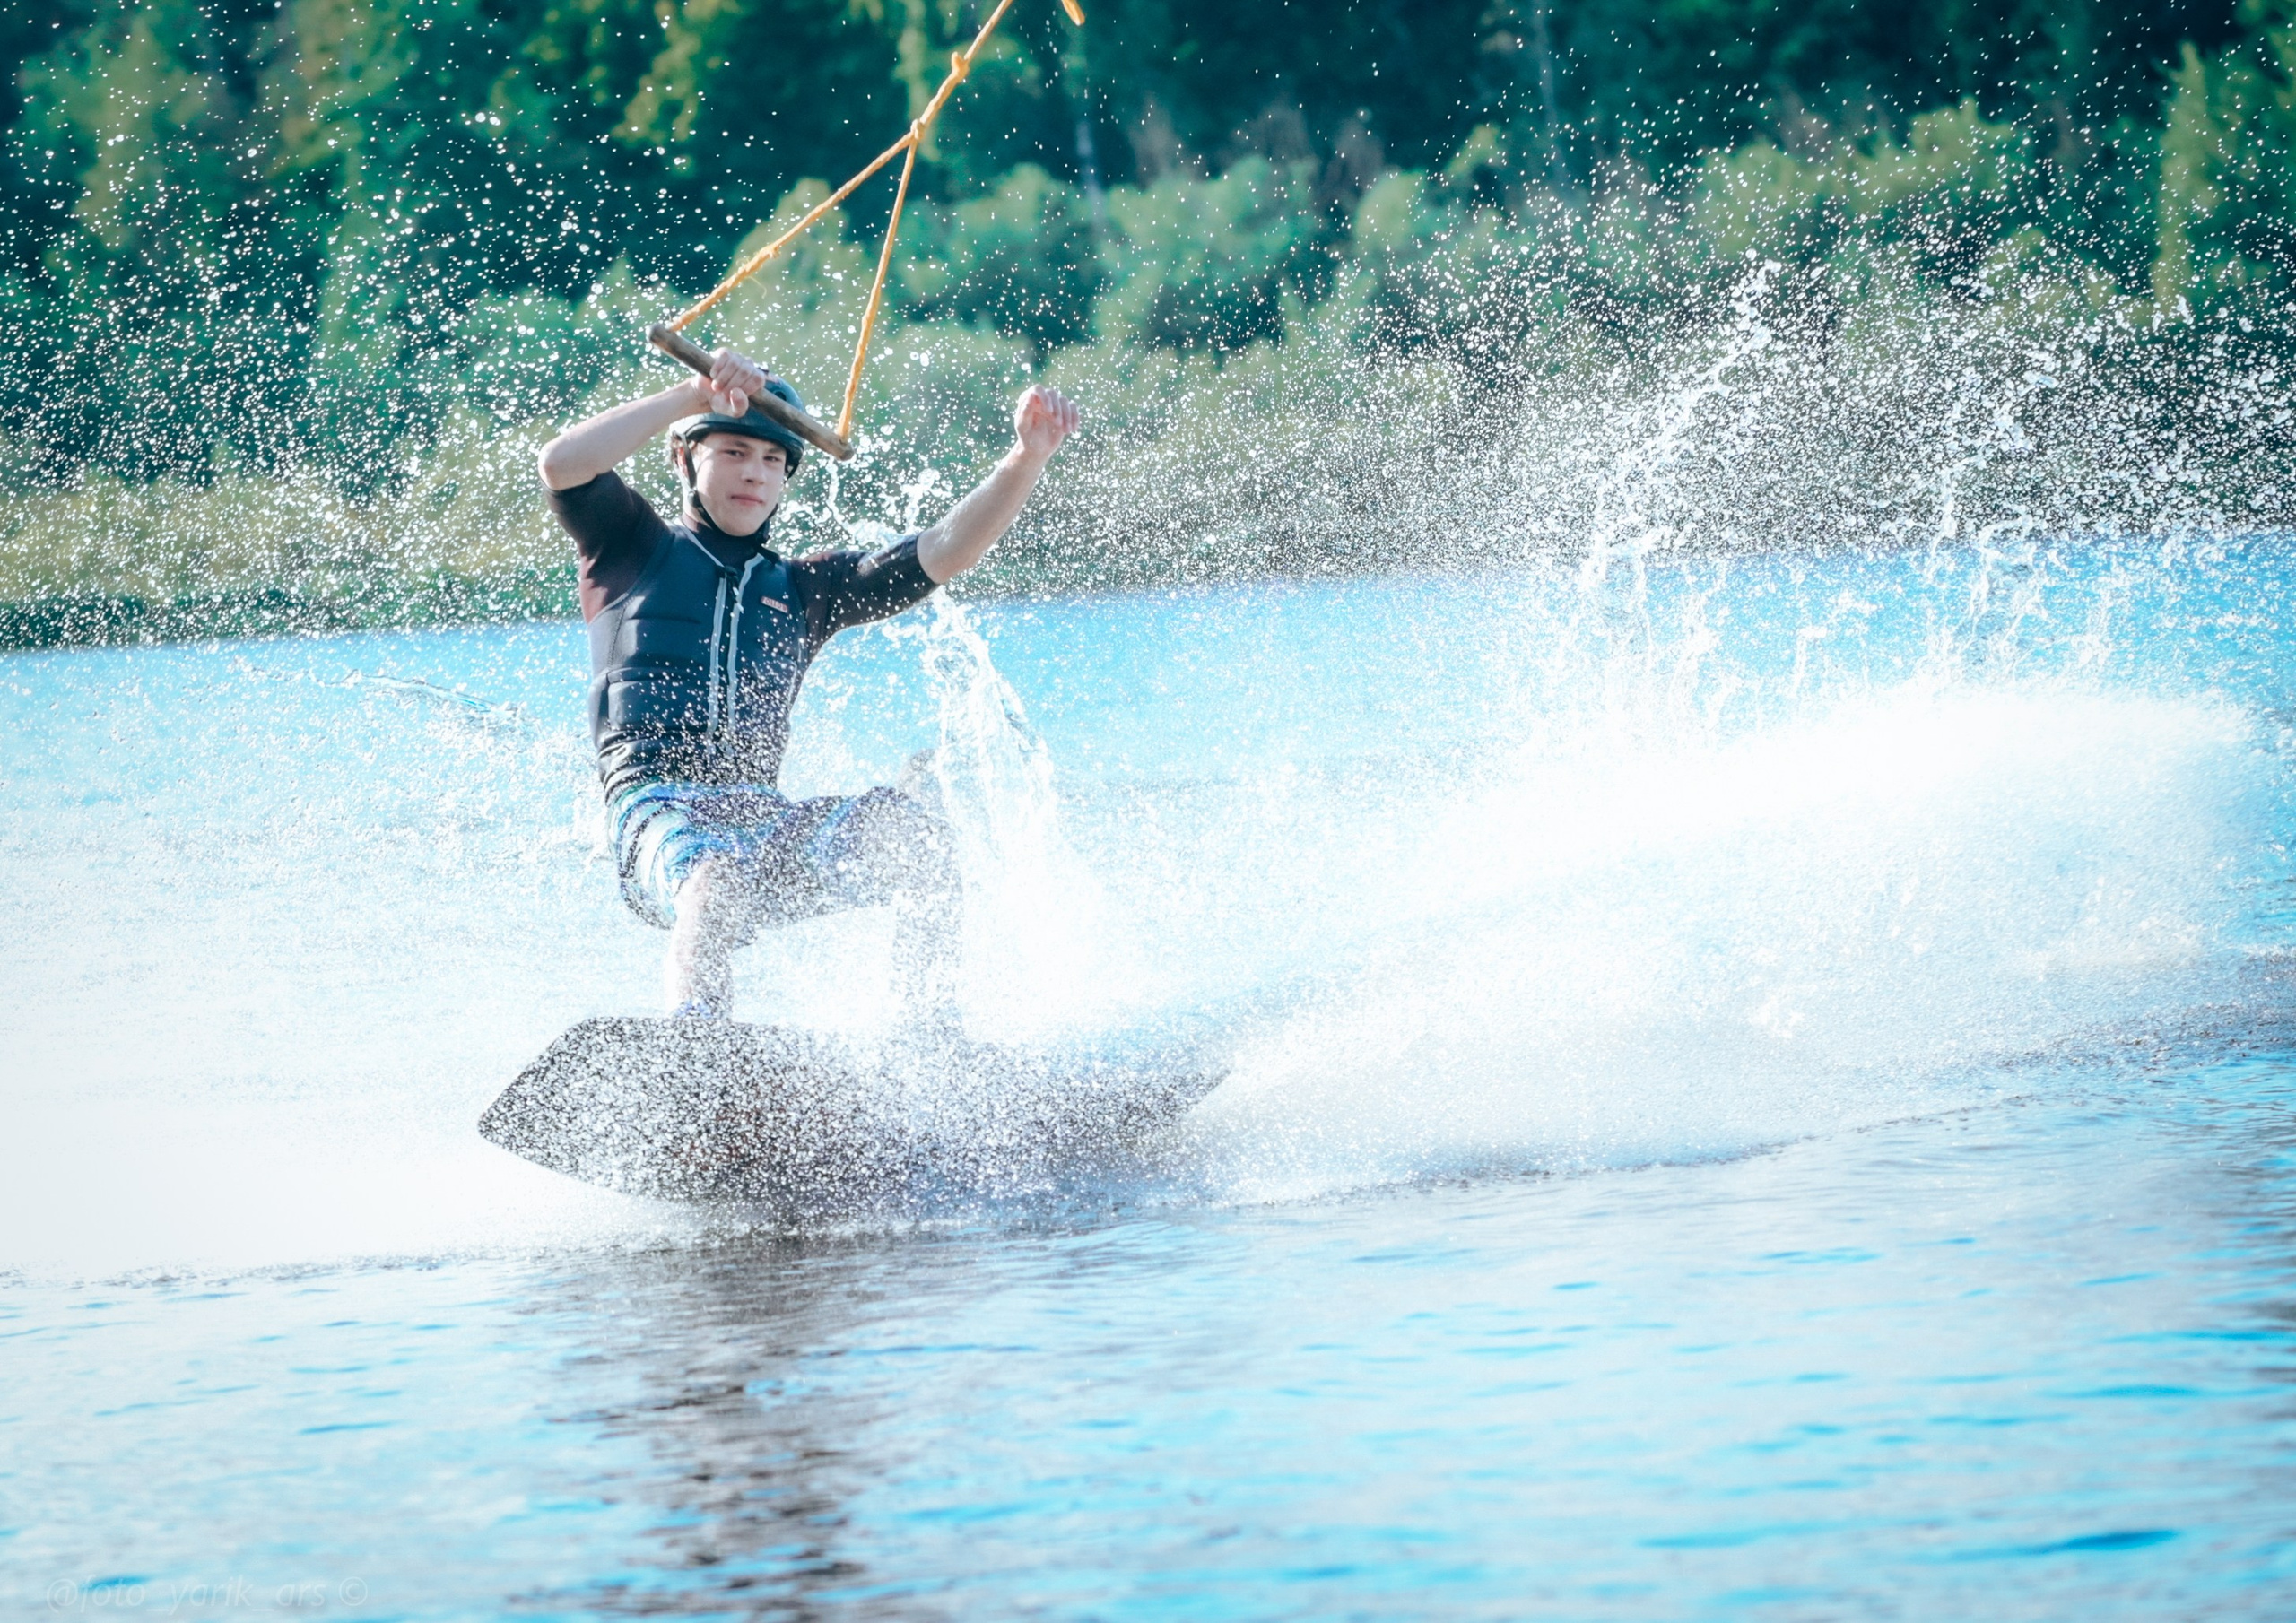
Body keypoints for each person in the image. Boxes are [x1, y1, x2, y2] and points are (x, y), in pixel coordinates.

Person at [537, 347, 1080, 1027]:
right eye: (733, 451)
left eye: (772, 461)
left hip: (764, 822)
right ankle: (697, 1048)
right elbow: (563, 464)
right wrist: (689, 393)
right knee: (718, 878)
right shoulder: (630, 547)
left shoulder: (804, 589)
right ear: (685, 458)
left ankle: (931, 1047)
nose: (754, 474)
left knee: (917, 839)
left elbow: (942, 549)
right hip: (656, 819)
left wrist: (1025, 459)